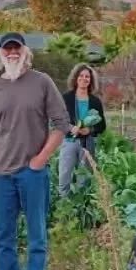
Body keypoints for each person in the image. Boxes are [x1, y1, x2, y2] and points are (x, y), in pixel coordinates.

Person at [0, 32, 70, 270]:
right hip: (2, 174)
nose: (12, 53)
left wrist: (40, 160)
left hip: (32, 173)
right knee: (3, 238)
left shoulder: (42, 82)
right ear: (1, 54)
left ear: (25, 51)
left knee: (36, 236)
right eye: (7, 49)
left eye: (16, 48)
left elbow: (61, 123)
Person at [58, 63, 107, 197]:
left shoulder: (95, 101)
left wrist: (90, 130)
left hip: (87, 143)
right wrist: (71, 127)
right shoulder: (66, 98)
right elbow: (59, 120)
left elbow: (102, 125)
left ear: (91, 81)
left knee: (84, 179)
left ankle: (81, 207)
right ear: (75, 78)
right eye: (81, 76)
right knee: (64, 176)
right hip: (69, 142)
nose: (84, 79)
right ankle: (64, 206)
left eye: (87, 77)